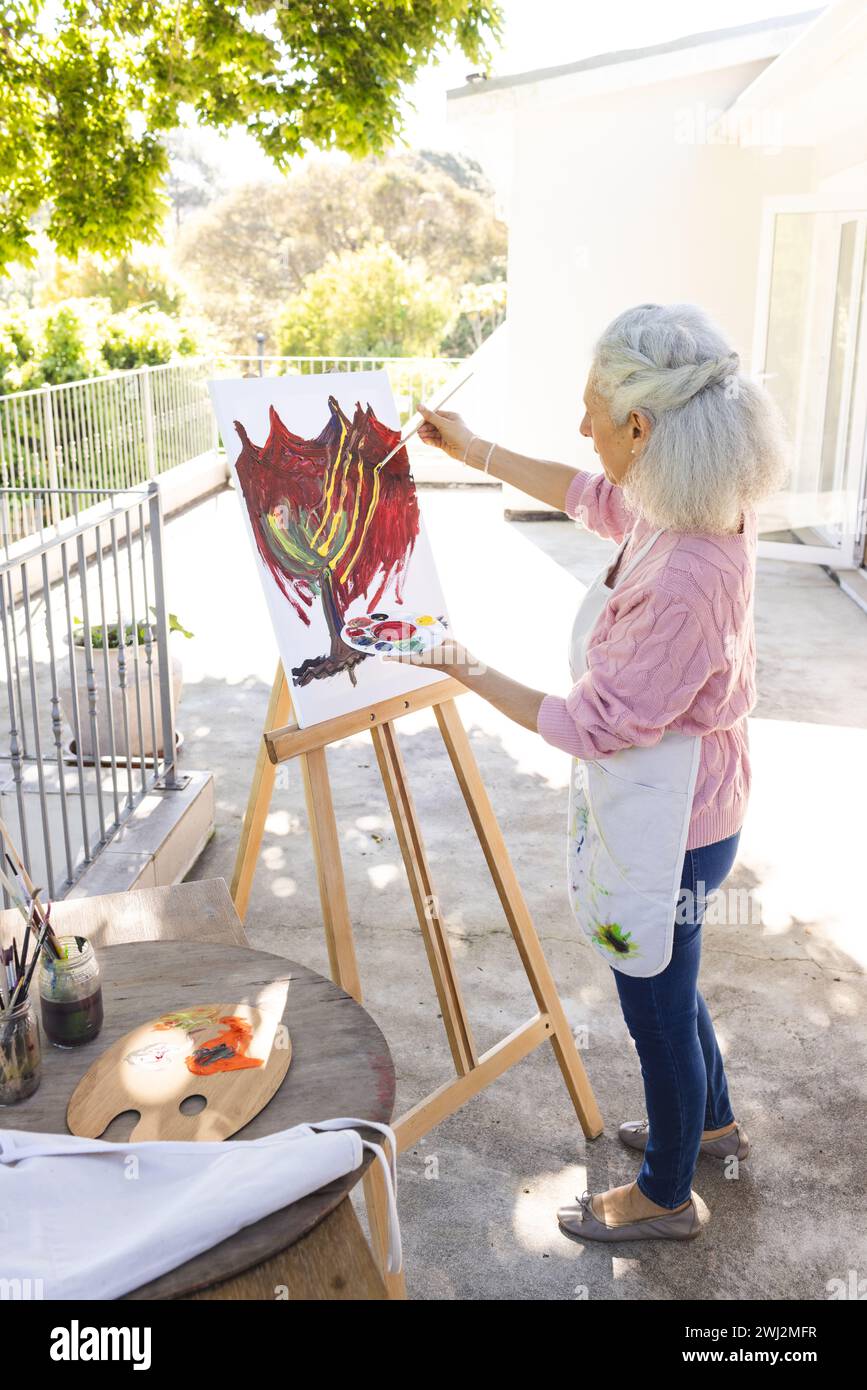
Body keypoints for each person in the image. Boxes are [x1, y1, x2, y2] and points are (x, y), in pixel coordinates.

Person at [399, 302, 788, 1241]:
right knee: (673, 977)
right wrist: (476, 449)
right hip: (691, 802)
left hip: (677, 824)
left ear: (644, 427)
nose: (582, 428)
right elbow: (588, 495)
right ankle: (712, 1125)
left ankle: (664, 1196)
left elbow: (592, 722)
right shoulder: (678, 505)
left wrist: (457, 662)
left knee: (652, 1003)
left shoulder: (690, 571)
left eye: (594, 411)